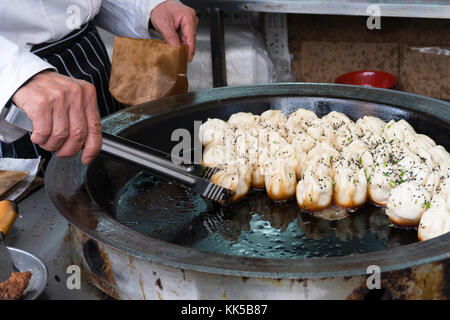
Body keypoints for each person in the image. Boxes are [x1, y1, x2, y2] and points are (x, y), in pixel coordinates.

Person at [0, 0, 198, 169]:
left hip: (91, 57)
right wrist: (13, 73)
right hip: (18, 92)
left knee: (114, 178)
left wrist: (148, 6)